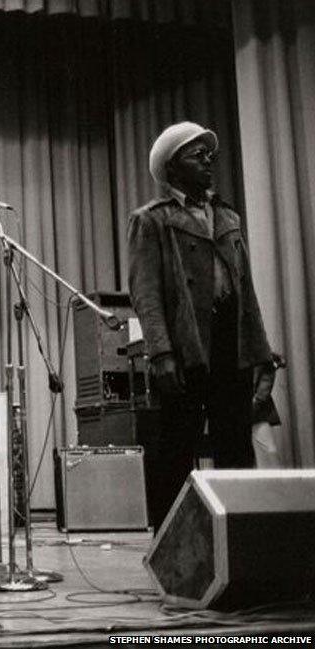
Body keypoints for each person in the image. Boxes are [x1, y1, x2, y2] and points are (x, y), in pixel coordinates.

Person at [128, 121, 273, 530]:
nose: (208, 162)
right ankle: (170, 547)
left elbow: (247, 292)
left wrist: (261, 352)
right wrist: (161, 352)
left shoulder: (227, 216)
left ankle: (241, 541)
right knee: (176, 449)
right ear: (173, 169)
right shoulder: (152, 220)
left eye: (210, 155)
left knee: (236, 447)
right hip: (185, 345)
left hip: (232, 343)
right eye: (197, 155)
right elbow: (146, 293)